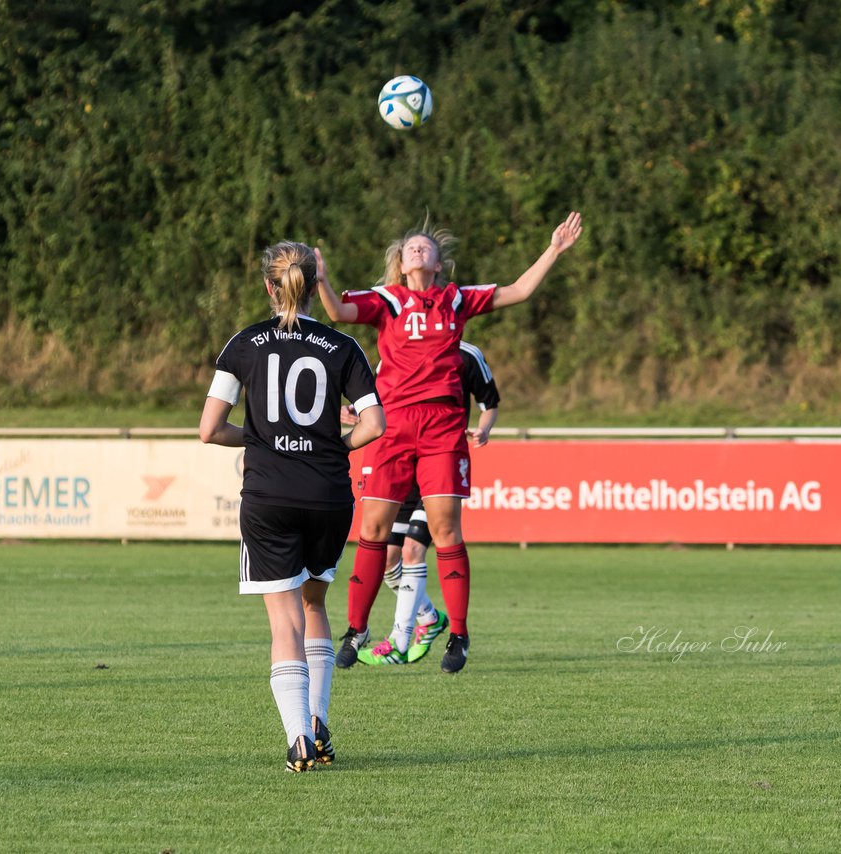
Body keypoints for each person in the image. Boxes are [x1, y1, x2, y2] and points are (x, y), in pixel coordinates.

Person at [316, 212, 582, 674]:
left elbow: (518, 291)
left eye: (426, 246)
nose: (418, 249)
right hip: (394, 425)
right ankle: (357, 628)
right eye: (410, 247)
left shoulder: (455, 299)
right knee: (373, 531)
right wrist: (321, 278)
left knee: (445, 532)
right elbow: (338, 313)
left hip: (442, 426)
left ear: (438, 264)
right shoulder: (387, 301)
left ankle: (457, 633)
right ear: (401, 264)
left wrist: (554, 249)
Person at [200, 240, 384, 772]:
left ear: (268, 285)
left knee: (284, 623)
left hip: (269, 496)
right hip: (328, 496)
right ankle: (320, 722)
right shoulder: (343, 345)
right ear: (310, 282)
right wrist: (334, 445)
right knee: (314, 606)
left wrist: (257, 438)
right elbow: (374, 424)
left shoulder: (243, 343)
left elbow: (209, 429)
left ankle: (299, 739)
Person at [340, 340, 501, 665]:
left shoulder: (467, 355)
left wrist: (483, 430)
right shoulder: (393, 353)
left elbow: (490, 402)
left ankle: (400, 639)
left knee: (414, 550)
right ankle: (429, 618)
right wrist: (356, 413)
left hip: (436, 467)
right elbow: (379, 403)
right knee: (387, 561)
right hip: (400, 467)